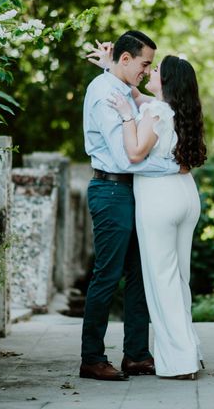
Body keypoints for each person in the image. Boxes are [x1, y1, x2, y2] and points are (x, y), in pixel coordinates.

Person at [79, 30, 181, 382]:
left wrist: (110, 67)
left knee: (139, 273)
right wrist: (172, 168)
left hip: (133, 192)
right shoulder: (104, 93)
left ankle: (136, 355)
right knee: (107, 275)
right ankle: (92, 358)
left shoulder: (119, 88)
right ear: (126, 59)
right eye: (145, 63)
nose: (147, 70)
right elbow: (124, 158)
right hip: (110, 191)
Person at [106, 53, 208, 380]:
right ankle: (190, 348)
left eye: (155, 70)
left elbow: (135, 152)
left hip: (159, 199)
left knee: (161, 282)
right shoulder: (178, 110)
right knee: (179, 279)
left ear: (165, 82)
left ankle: (181, 362)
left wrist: (125, 117)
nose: (149, 72)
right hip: (186, 195)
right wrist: (111, 67)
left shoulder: (154, 111)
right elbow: (138, 93)